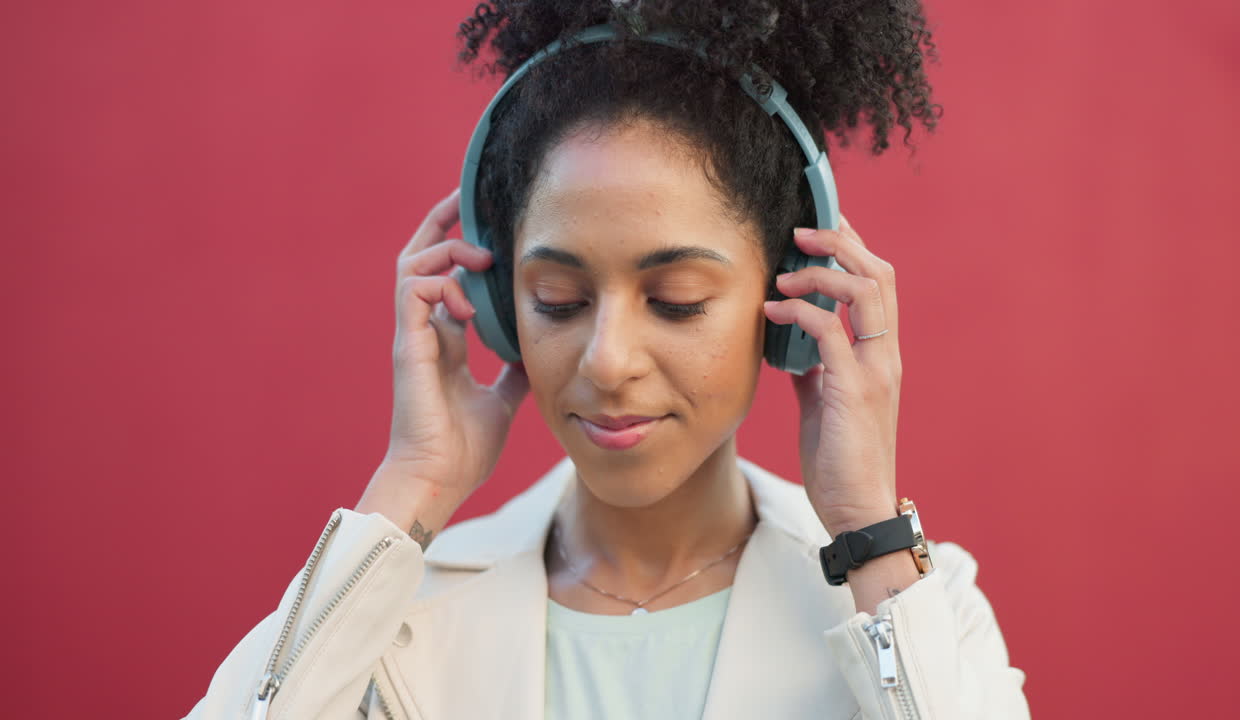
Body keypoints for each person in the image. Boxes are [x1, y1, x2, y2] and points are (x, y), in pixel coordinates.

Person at [184, 1, 1031, 718]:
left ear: (789, 306)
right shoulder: (390, 606)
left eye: (676, 301)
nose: (607, 360)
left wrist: (867, 531)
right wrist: (411, 485)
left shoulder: (917, 601)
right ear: (497, 305)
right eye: (557, 300)